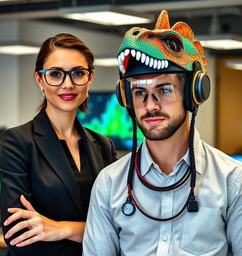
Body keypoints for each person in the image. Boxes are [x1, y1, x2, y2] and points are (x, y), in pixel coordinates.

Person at [83, 10, 242, 256]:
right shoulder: (109, 183)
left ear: (193, 93)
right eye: (139, 93)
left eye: (164, 90)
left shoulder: (232, 180)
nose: (150, 105)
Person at [0, 33, 117, 256]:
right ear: (39, 79)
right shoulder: (18, 141)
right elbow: (17, 234)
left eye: (78, 73)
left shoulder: (103, 146)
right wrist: (93, 232)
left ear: (90, 78)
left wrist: (60, 229)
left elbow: (120, 226)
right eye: (55, 74)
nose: (68, 84)